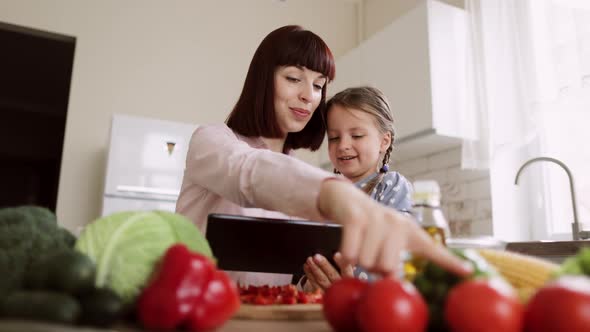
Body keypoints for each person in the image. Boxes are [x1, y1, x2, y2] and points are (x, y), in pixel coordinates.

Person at [175, 25, 470, 288]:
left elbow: (288, 280)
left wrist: (317, 285)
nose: (309, 96)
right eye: (294, 78)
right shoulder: (212, 141)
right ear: (262, 80)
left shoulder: (299, 176)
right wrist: (337, 194)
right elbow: (248, 172)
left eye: (318, 85)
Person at [302, 86, 414, 291]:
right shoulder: (323, 193)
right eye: (334, 137)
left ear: (384, 141)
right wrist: (309, 282)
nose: (343, 145)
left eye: (357, 135)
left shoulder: (391, 186)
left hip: (371, 304)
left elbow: (394, 259)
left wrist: (348, 286)